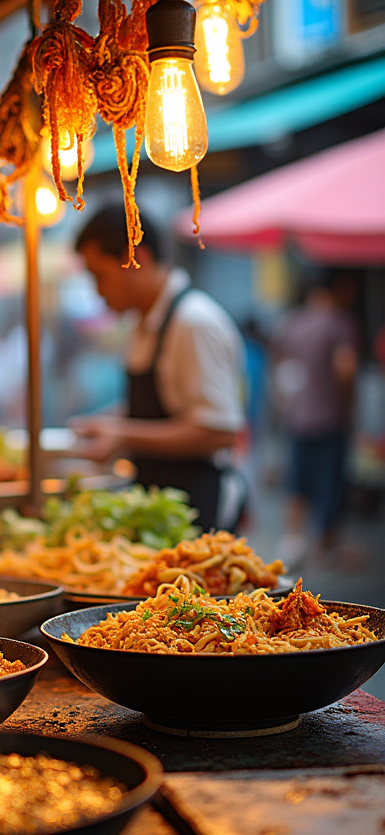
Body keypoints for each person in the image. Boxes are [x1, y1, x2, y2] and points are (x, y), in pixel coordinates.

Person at [71, 205, 247, 532]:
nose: (97, 291)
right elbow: (163, 407)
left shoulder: (194, 322)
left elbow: (220, 431)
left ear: (137, 258)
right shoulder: (142, 321)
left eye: (100, 276)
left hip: (196, 511)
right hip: (159, 509)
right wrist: (108, 422)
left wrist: (122, 434)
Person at [272, 269, 361, 567]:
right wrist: (348, 401)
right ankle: (326, 546)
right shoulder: (339, 323)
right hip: (329, 418)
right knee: (329, 484)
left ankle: (293, 541)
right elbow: (345, 368)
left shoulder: (293, 323)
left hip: (298, 417)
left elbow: (280, 370)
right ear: (340, 289)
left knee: (297, 481)